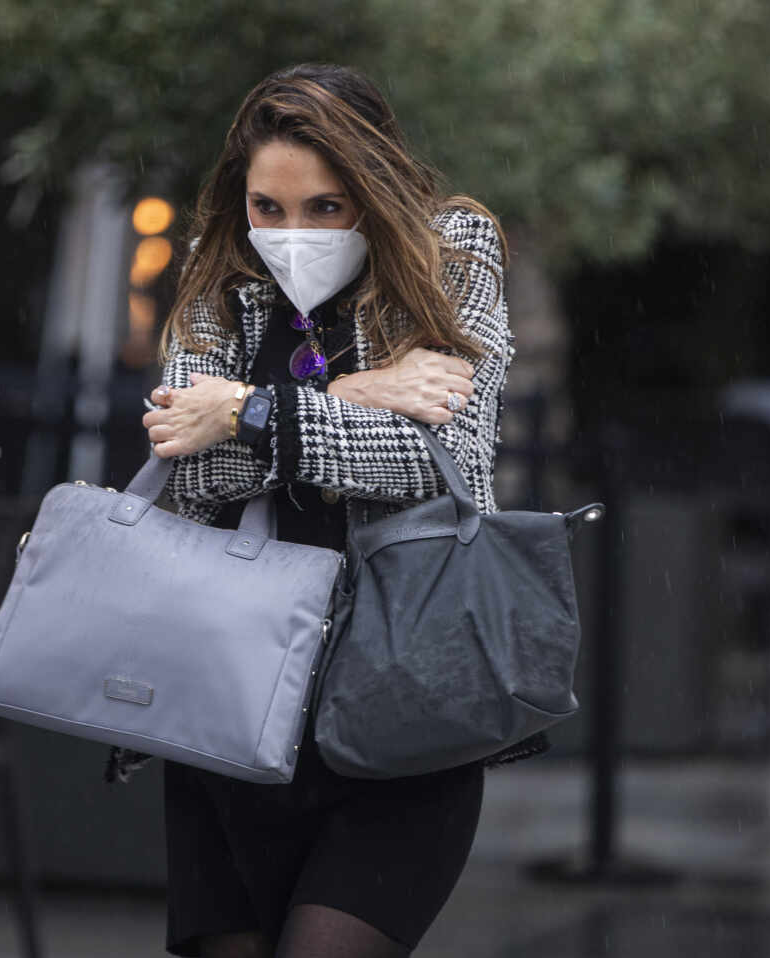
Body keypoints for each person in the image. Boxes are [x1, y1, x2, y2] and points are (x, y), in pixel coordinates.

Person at [138, 63, 523, 958]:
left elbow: (441, 460)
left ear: (374, 189)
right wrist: (364, 387)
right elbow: (185, 466)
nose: (290, 232)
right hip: (230, 709)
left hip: (402, 709)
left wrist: (247, 407)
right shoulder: (217, 268)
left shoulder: (452, 255)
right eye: (268, 208)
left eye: (324, 207)